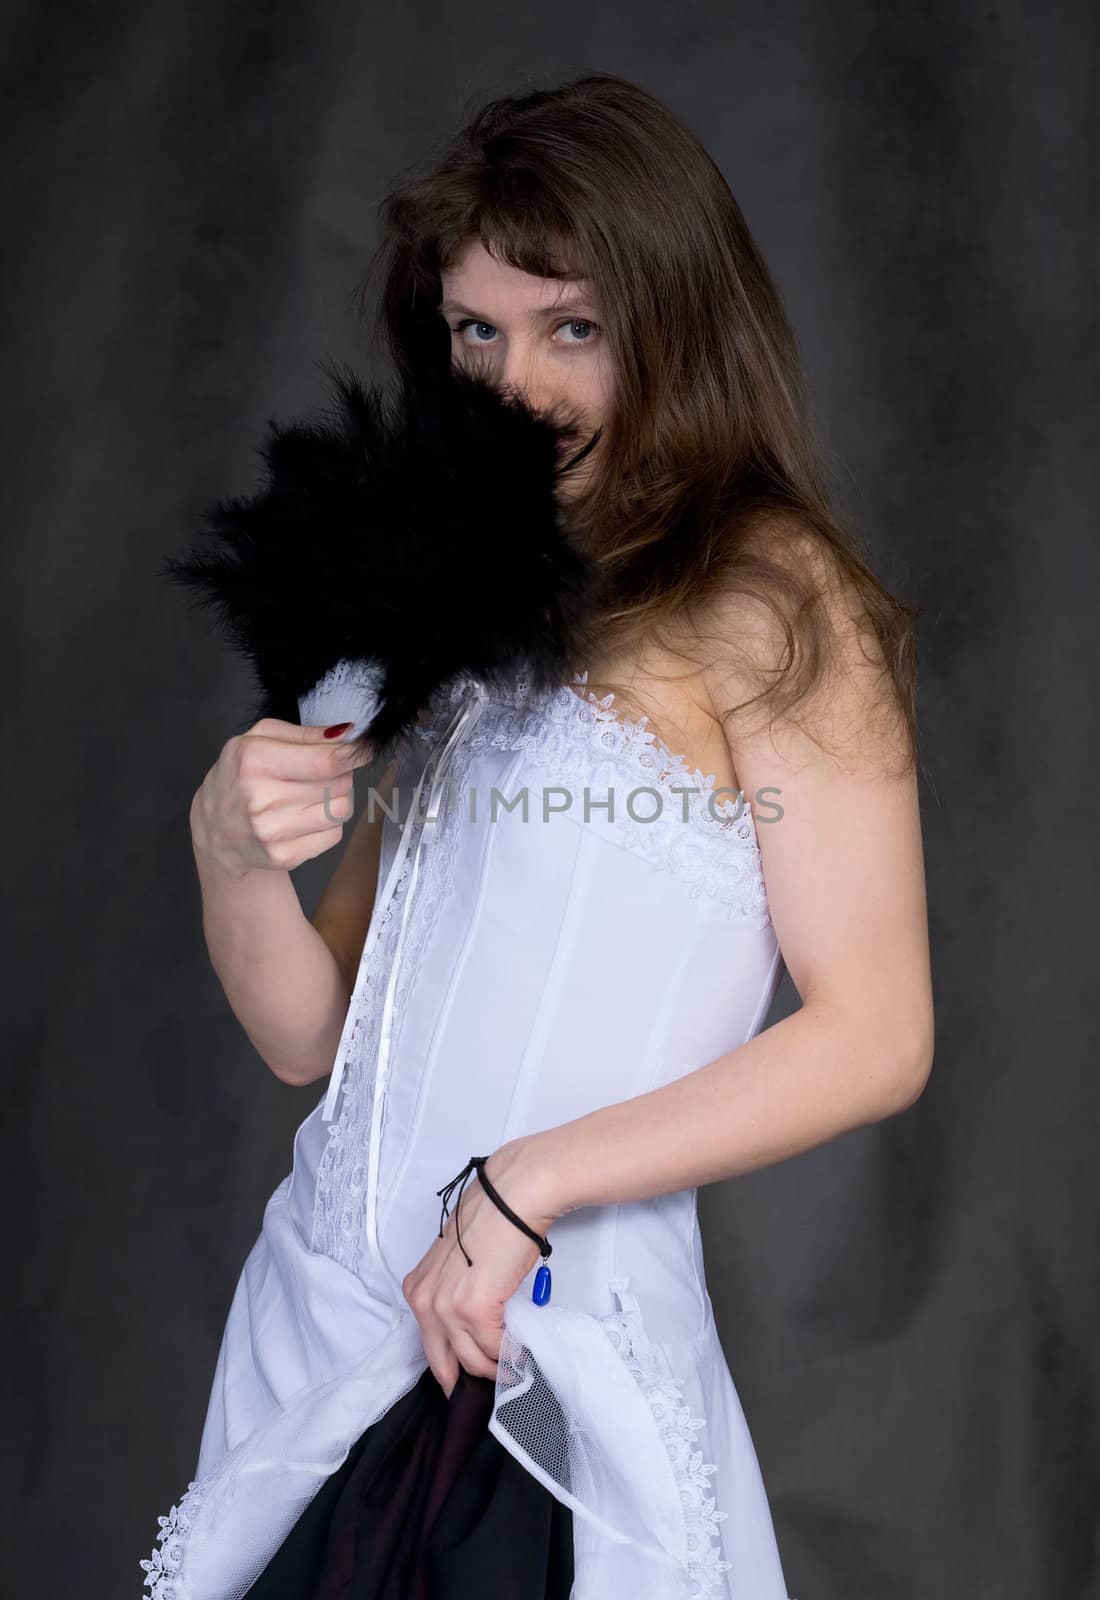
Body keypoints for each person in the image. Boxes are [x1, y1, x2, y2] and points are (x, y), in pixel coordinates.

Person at [140, 72, 933, 1600]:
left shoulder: (772, 598)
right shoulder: (439, 589)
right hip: (329, 1337)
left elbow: (878, 1030)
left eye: (573, 327)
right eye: (475, 334)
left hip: (536, 1348)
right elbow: (315, 1034)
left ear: (672, 315)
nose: (519, 386)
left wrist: (524, 1186)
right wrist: (228, 854)